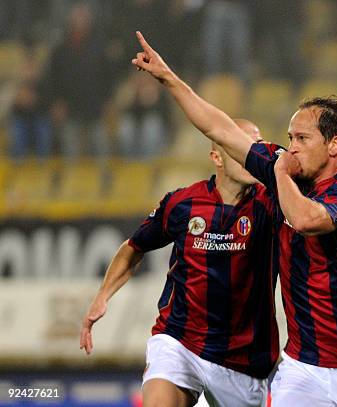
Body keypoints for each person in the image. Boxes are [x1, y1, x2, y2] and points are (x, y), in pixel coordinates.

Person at [132, 31, 337, 406]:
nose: (291, 147)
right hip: (302, 365)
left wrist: (280, 174)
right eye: (290, 137)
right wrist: (168, 78)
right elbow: (220, 129)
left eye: (302, 139)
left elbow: (305, 219)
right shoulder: (282, 168)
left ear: (334, 145)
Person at [79, 119, 279, 407]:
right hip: (180, 341)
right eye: (239, 145)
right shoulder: (183, 203)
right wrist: (102, 295)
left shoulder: (272, 204)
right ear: (216, 156)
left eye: (256, 147)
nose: (251, 155)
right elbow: (134, 247)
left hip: (244, 358)